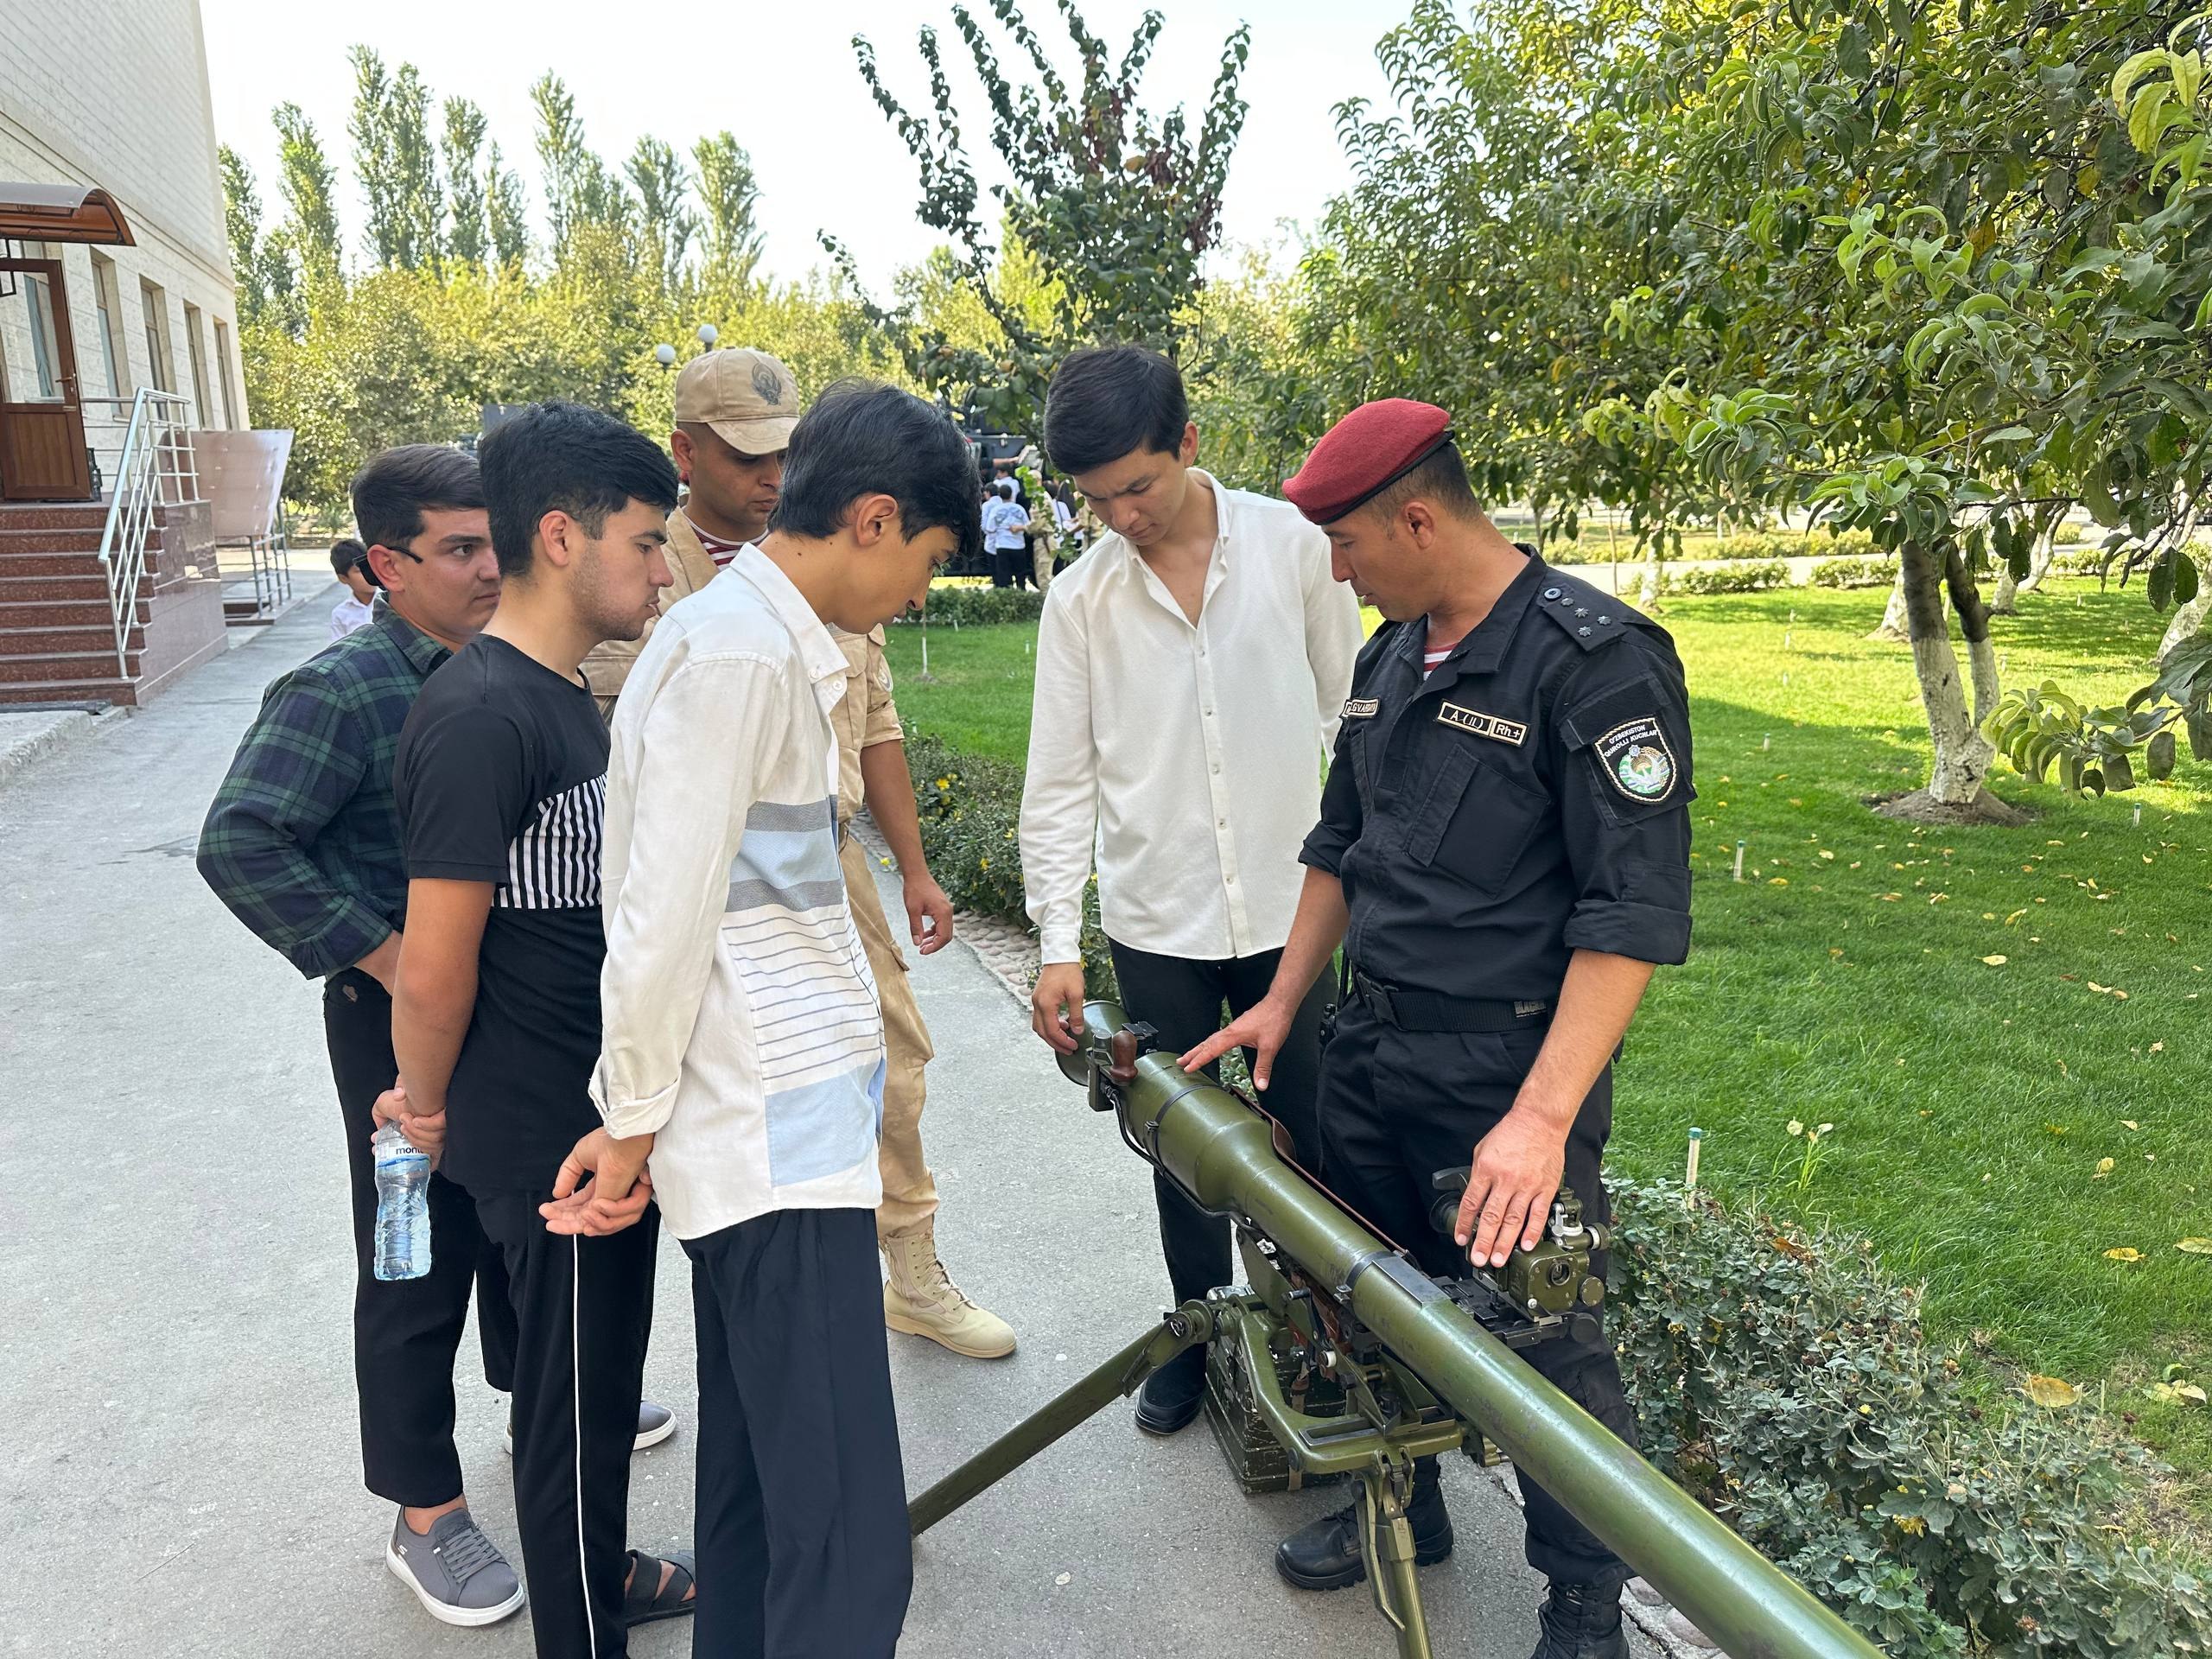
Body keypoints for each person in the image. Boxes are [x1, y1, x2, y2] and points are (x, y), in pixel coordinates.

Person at [1185, 399, 1694, 1659]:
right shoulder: (1391, 658)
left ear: (1420, 516)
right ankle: (1401, 1508)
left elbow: (1628, 917)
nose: (1340, 575)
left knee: (1551, 1349)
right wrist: (1287, 998)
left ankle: (1585, 1605)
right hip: (1370, 1051)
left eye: (1350, 546)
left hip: (1504, 1083)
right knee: (1377, 1300)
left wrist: (1541, 1119)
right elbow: (1339, 847)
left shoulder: (1595, 661)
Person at [543, 381, 984, 1657]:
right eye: (929, 563)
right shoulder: (738, 657)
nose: (916, 595)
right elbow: (663, 915)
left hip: (778, 1135)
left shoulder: (750, 642)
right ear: (874, 518)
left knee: (755, 1500)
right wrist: (627, 1123)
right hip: (771, 1149)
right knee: (848, 1551)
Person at [198, 447, 532, 1625]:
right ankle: (424, 1508)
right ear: (387, 565)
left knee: (513, 1210)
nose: (492, 567)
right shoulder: (339, 693)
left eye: (497, 541)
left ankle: (528, 1378)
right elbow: (240, 841)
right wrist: (396, 959)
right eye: (459, 549)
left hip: (511, 1020)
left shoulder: (498, 670)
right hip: (392, 1035)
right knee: (410, 1253)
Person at [390, 402, 694, 1656]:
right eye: (646, 541)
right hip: (544, 1140)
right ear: (561, 537)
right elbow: (433, 963)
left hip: (596, 1114)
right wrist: (422, 1107)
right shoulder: (480, 717)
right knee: (570, 1426)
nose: (664, 568)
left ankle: (599, 1575)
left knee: (596, 1392)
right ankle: (587, 1632)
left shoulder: (558, 692)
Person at [1020, 343, 1363, 1434]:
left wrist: (1370, 883)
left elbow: (1348, 720)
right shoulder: (1079, 603)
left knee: (1312, 1139)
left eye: (1138, 487)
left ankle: (1325, 1347)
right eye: (1095, 499)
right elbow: (1059, 775)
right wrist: (1054, 939)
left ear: (1189, 444)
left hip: (1291, 911)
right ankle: (1199, 1333)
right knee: (1177, 1144)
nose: (1121, 516)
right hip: (1155, 916)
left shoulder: (1296, 547)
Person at [581, 346, 800, 718]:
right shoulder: (629, 585)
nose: (775, 479)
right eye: (747, 458)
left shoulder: (828, 563)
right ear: (685, 452)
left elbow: (874, 725)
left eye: (786, 455)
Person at [328, 538, 378, 639]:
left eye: (371, 567)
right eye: (360, 571)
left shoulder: (392, 602)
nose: (370, 573)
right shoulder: (340, 614)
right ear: (343, 578)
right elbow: (339, 652)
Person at [982, 479, 1027, 588]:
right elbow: (1028, 526)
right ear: (1012, 494)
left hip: (1002, 546)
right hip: (1018, 546)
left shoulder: (996, 510)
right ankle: (1022, 597)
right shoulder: (1019, 509)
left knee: (1004, 577)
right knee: (1020, 575)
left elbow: (989, 528)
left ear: (1000, 495)